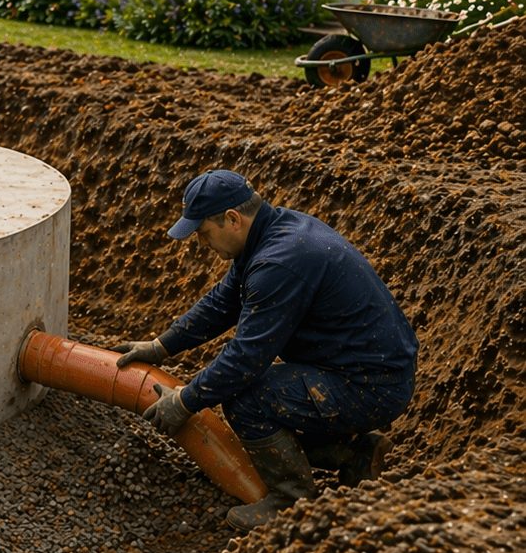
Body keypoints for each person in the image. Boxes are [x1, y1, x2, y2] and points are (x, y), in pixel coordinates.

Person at [115, 169, 417, 532]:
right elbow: (223, 303)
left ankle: (292, 505)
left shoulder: (280, 263)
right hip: (362, 372)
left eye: (202, 232)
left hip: (369, 387)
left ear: (232, 218)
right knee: (262, 399)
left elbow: (246, 358)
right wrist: (160, 346)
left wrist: (185, 402)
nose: (201, 243)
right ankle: (354, 455)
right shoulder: (271, 233)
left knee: (250, 399)